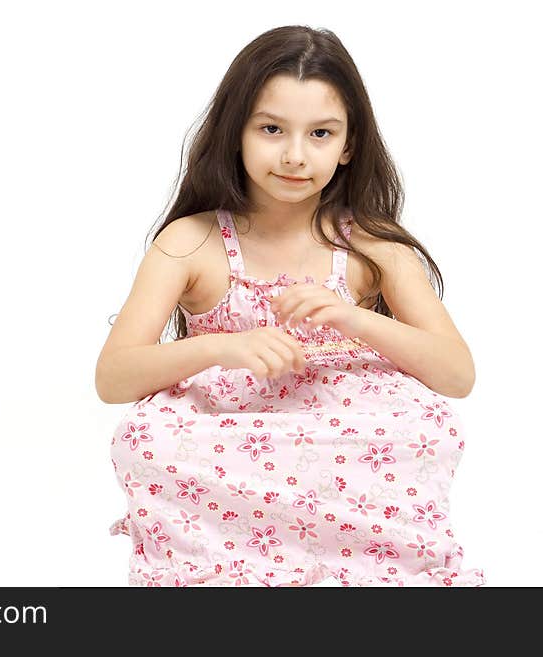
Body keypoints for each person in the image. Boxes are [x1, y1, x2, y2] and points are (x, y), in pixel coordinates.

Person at [95, 25, 485, 587]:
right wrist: (222, 347)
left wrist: (355, 318)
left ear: (349, 144)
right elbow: (113, 378)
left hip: (344, 434)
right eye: (272, 129)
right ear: (236, 133)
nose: (295, 155)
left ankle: (361, 569)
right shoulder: (190, 242)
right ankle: (228, 570)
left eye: (321, 133)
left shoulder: (373, 245)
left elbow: (456, 374)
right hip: (228, 431)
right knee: (145, 439)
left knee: (428, 428)